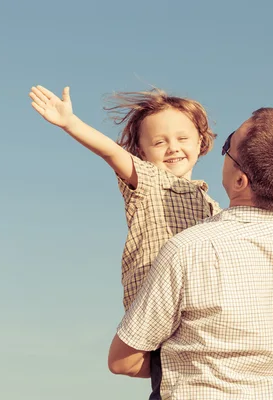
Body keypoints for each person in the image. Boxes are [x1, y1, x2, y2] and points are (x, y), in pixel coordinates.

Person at [107, 107, 273, 399]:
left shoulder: (188, 248)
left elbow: (123, 361)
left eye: (227, 144)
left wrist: (203, 368)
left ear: (240, 180)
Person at [29, 85, 220, 398]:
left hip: (198, 322)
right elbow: (111, 152)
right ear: (142, 152)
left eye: (182, 138)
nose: (172, 148)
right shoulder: (148, 181)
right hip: (160, 315)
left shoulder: (214, 208)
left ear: (201, 141)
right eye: (159, 142)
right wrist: (70, 123)